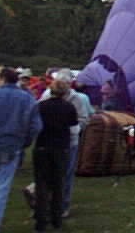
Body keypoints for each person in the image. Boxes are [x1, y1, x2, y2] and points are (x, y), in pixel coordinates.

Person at [0, 67, 42, 233]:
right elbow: (35, 126)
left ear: (2, 78)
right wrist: (25, 143)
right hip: (13, 148)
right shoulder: (28, 99)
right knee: (1, 189)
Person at [39, 69, 89, 218]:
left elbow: (83, 120)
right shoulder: (46, 97)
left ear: (69, 84)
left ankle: (62, 205)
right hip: (49, 141)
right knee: (48, 173)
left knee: (66, 174)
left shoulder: (77, 99)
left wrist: (72, 130)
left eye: (65, 83)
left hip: (69, 143)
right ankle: (46, 204)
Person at [33, 80, 78, 232]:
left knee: (42, 184)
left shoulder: (40, 106)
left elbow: (34, 126)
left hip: (42, 147)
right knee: (59, 183)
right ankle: (56, 219)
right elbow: (74, 129)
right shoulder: (69, 107)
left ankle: (40, 221)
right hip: (61, 149)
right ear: (66, 92)